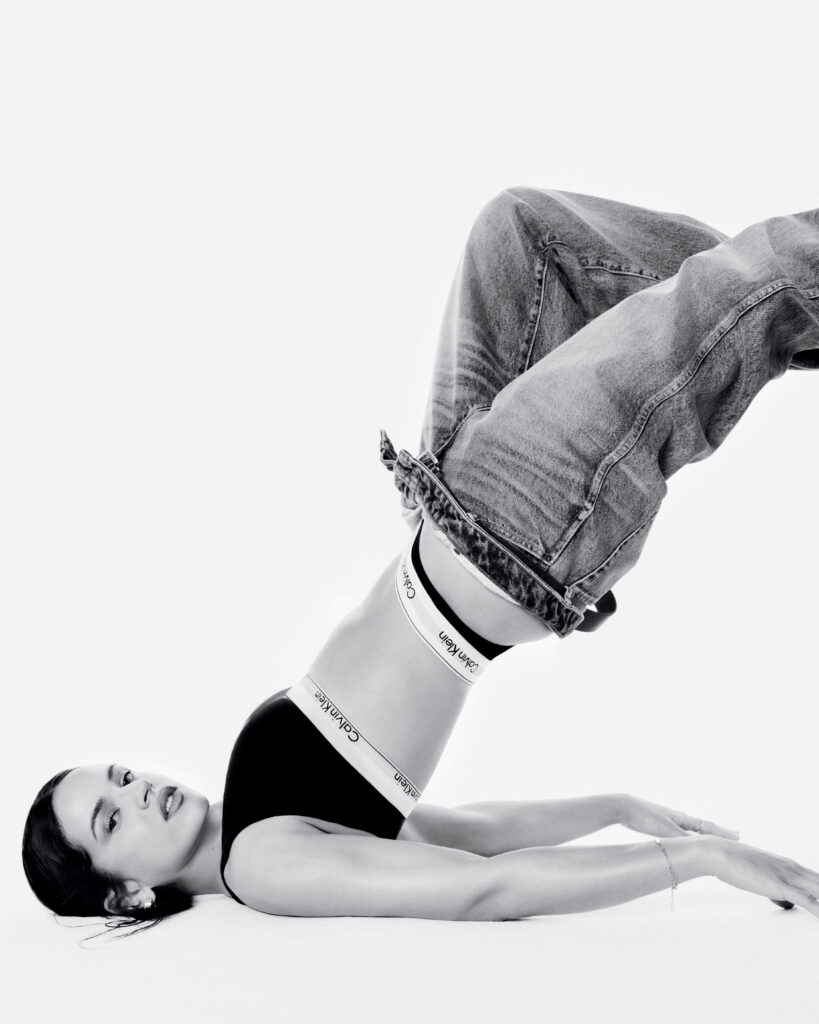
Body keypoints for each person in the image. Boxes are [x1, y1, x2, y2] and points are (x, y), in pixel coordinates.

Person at [23, 187, 819, 934]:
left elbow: (466, 832)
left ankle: (799, 317)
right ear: (126, 894)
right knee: (750, 280)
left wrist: (610, 806)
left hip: (445, 497)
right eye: (111, 820)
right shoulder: (264, 868)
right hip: (509, 530)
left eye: (120, 778)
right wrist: (698, 861)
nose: (139, 791)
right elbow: (481, 887)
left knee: (522, 236)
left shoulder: (252, 820)